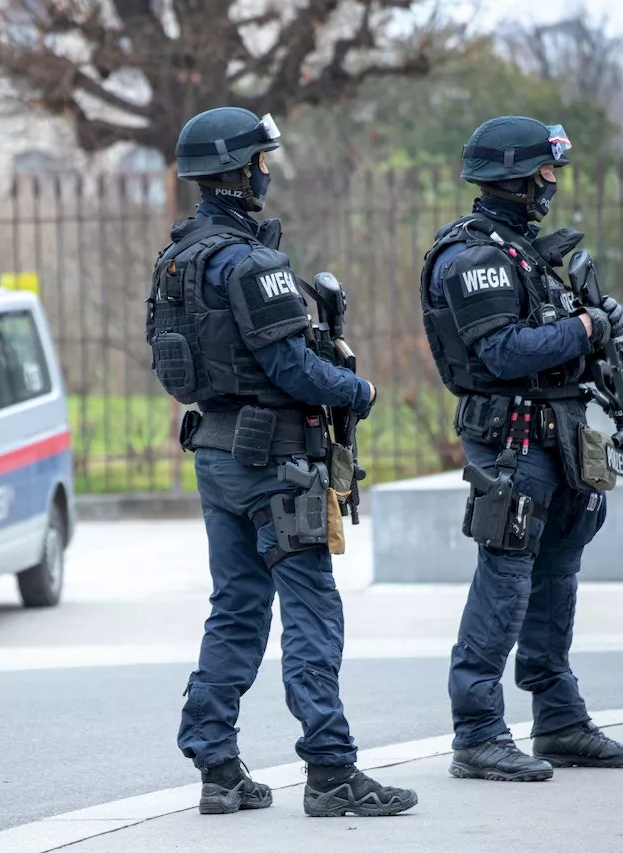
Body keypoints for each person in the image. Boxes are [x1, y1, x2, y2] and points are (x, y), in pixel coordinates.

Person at [145, 106, 418, 818]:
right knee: (311, 611)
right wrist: (358, 387)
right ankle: (331, 770)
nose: (267, 170)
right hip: (279, 467)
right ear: (238, 172)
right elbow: (290, 364)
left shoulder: (177, 260)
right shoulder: (251, 262)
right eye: (260, 160)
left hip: (215, 455)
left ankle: (218, 767)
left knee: (235, 608)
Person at [418, 115, 623, 782]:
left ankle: (560, 721)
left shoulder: (525, 251)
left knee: (556, 577)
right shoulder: (474, 258)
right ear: (517, 177)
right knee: (507, 579)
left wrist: (595, 327)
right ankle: (478, 731)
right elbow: (503, 351)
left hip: (558, 437)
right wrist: (585, 326)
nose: (552, 183)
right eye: (545, 172)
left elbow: (557, 337)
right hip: (511, 440)